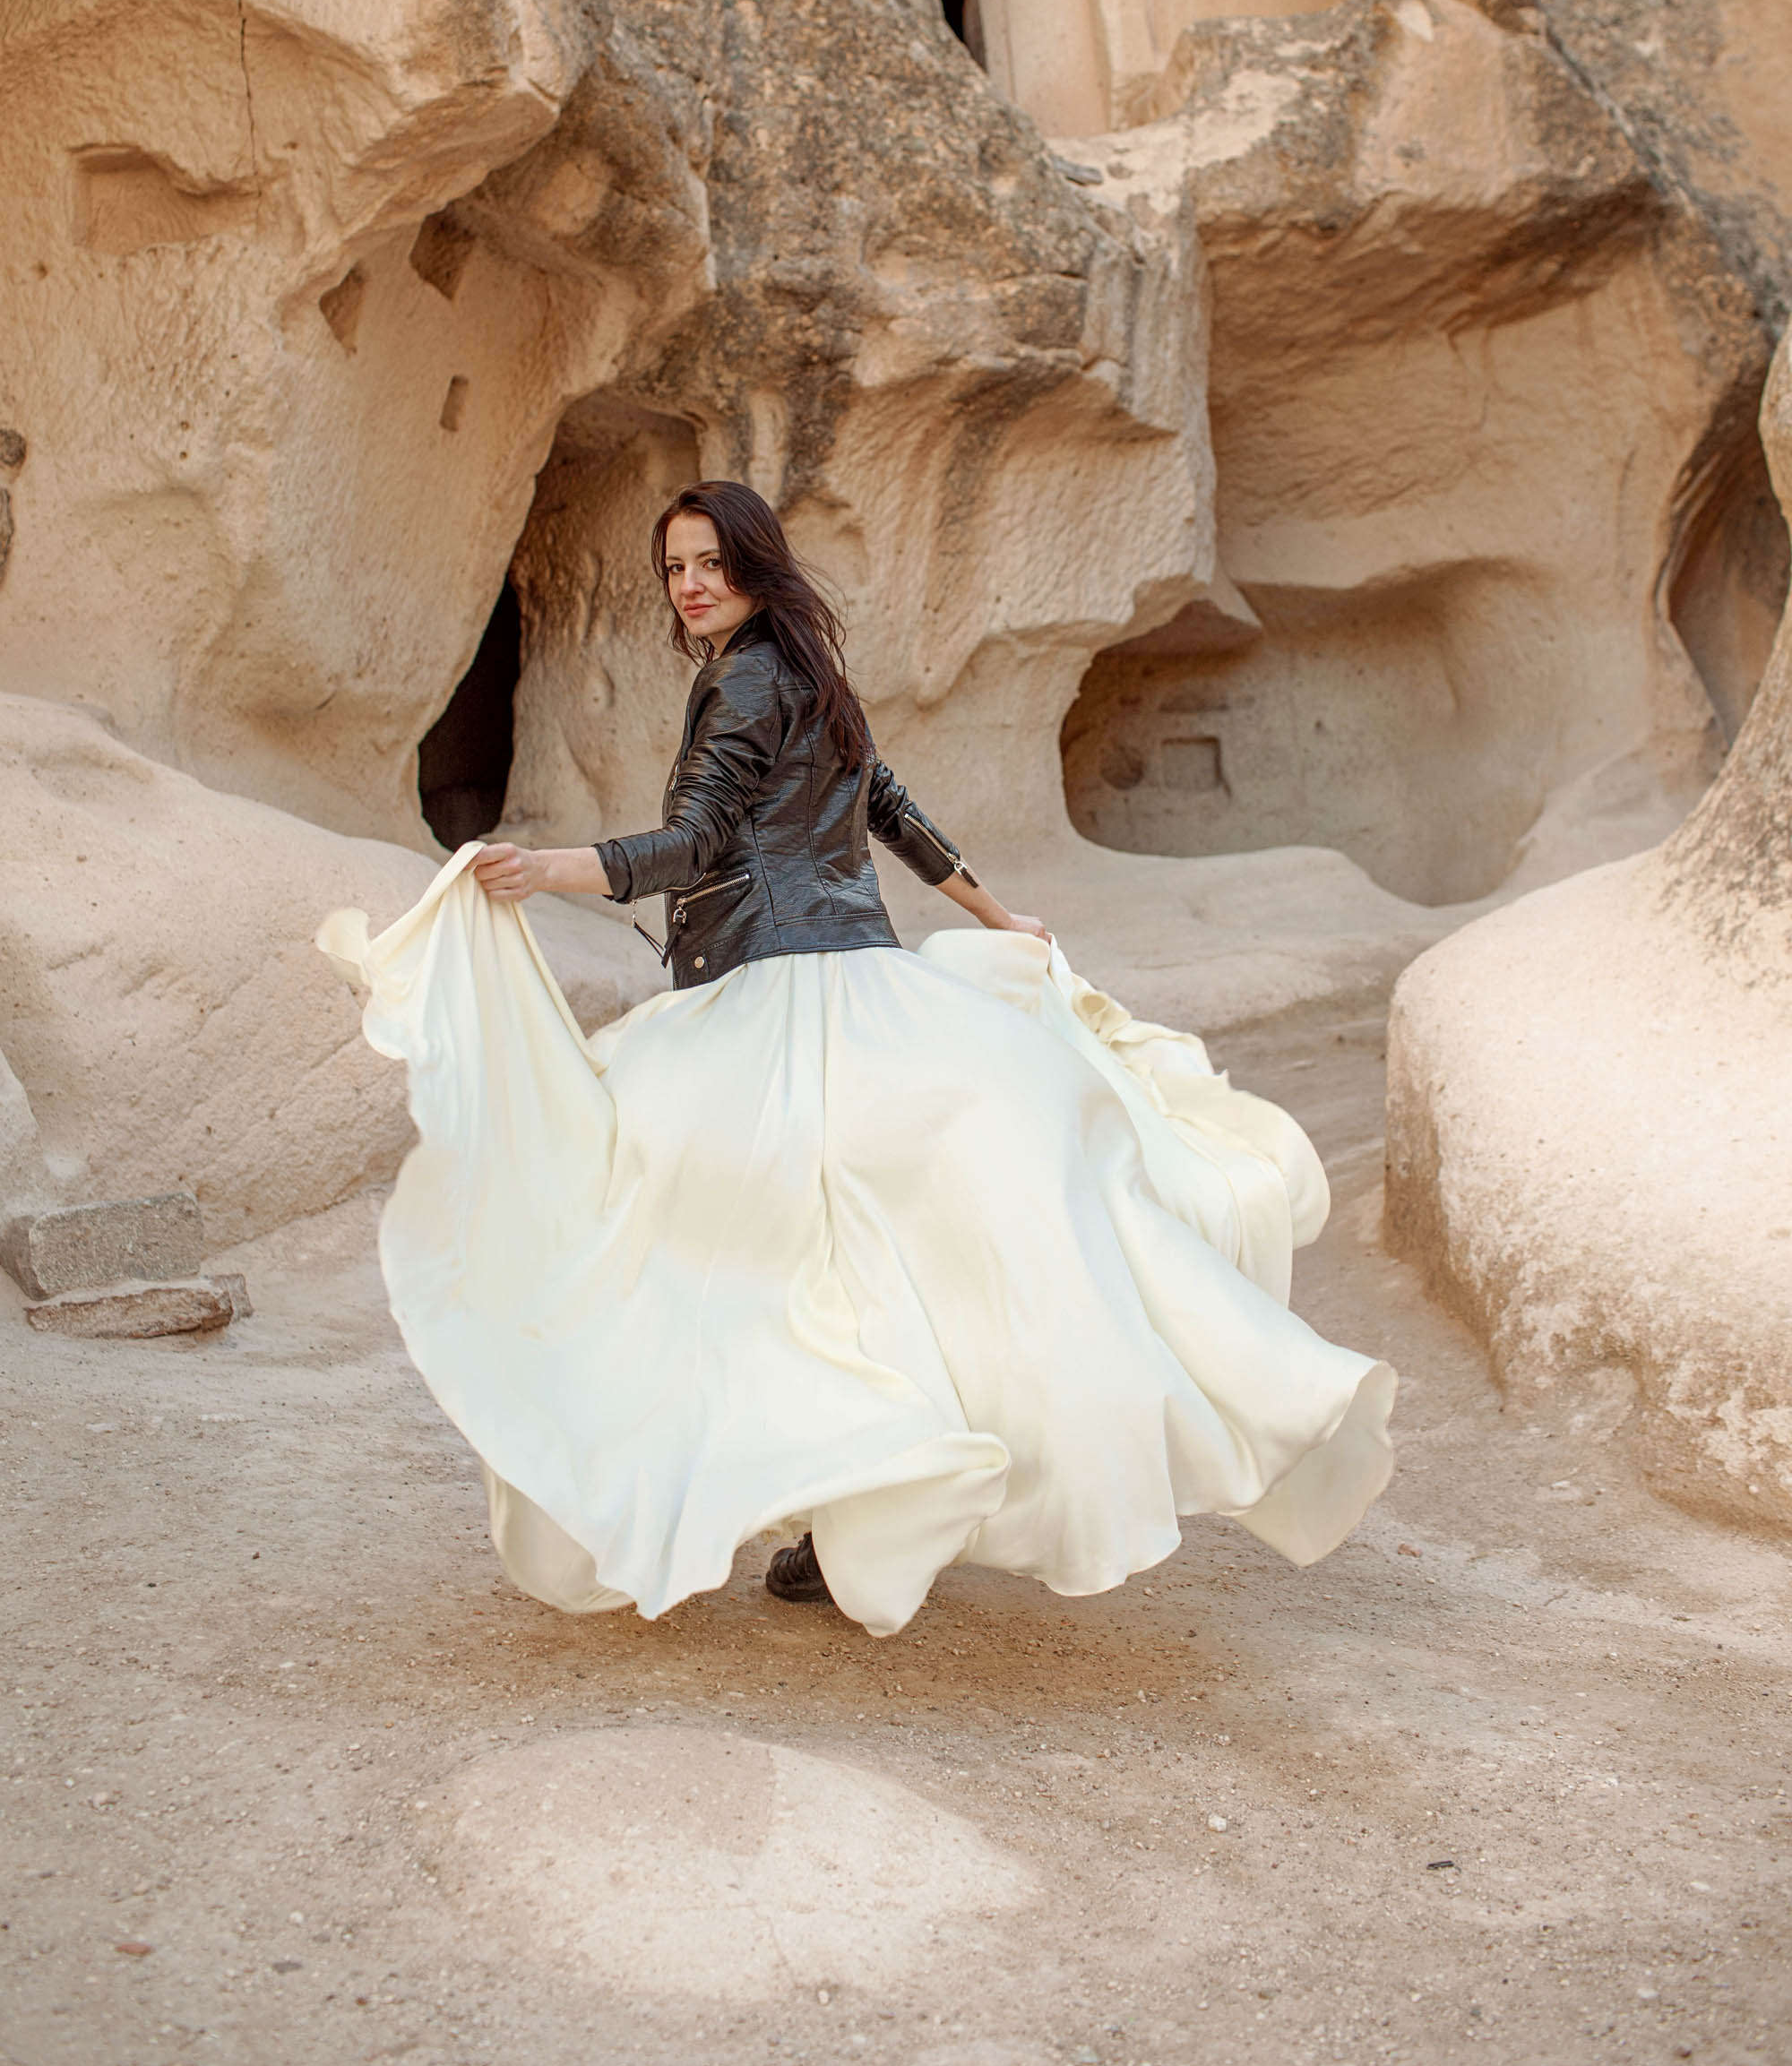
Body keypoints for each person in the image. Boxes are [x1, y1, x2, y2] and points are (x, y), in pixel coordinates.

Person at [319, 483, 1394, 1638]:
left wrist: (551, 869)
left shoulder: (742, 678)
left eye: (708, 564)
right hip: (862, 984)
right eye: (673, 568)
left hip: (782, 1004)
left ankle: (819, 1499)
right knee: (861, 1258)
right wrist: (994, 914)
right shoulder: (808, 671)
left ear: (754, 567)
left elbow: (704, 839)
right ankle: (855, 1513)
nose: (688, 586)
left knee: (678, 1231)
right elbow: (886, 802)